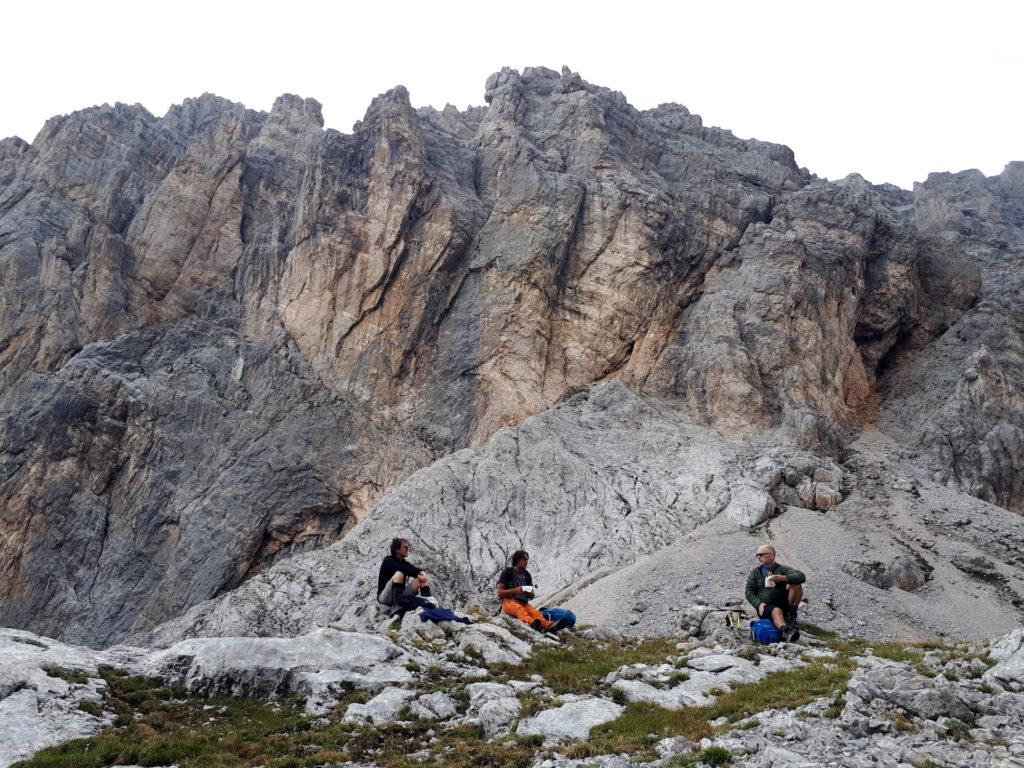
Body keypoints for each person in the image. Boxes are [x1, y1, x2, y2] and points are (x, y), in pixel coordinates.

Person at [497, 551, 570, 634]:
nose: (526, 561)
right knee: (519, 610)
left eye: (527, 559)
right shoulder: (508, 572)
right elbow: (500, 593)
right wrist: (517, 590)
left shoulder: (527, 575)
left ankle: (549, 626)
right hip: (508, 601)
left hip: (524, 603)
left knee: (536, 613)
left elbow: (532, 596)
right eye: (524, 559)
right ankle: (532, 623)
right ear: (517, 559)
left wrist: (527, 592)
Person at [745, 544, 805, 642]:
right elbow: (748, 591)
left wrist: (783, 578)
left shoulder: (783, 569)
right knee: (776, 611)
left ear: (771, 555)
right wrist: (758, 603)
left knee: (796, 584)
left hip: (785, 604)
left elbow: (801, 576)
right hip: (766, 607)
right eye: (757, 555)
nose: (758, 557)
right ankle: (785, 631)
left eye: (760, 554)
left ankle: (791, 616)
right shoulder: (755, 572)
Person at [377, 538, 435, 613]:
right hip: (384, 597)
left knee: (421, 579)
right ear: (397, 550)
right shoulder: (388, 560)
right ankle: (396, 606)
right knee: (399, 574)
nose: (408, 549)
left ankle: (428, 602)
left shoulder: (403, 562)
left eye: (408, 547)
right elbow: (402, 568)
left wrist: (422, 573)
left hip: (399, 596)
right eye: (405, 547)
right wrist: (417, 574)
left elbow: (415, 569)